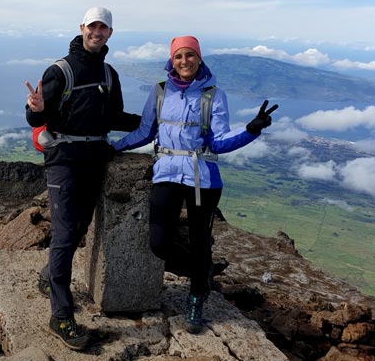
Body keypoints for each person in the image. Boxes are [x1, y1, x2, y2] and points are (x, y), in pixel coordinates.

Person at [111, 35, 277, 334]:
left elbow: (219, 141)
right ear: (171, 61)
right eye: (179, 56)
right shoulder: (161, 91)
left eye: (190, 55)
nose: (184, 61)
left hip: (204, 178)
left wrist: (251, 130)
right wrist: (113, 148)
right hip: (166, 173)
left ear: (199, 59)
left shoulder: (213, 95)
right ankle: (203, 274)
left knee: (201, 242)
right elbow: (145, 132)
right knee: (159, 243)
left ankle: (196, 298)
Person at [25, 7, 140, 350]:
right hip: (65, 162)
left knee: (78, 229)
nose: (97, 32)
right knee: (63, 236)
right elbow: (36, 119)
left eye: (103, 28)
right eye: (92, 26)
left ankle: (49, 277)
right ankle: (60, 316)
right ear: (82, 28)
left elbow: (114, 116)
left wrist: (158, 121)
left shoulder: (108, 73)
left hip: (95, 159)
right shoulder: (60, 70)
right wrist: (35, 108)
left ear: (110, 33)